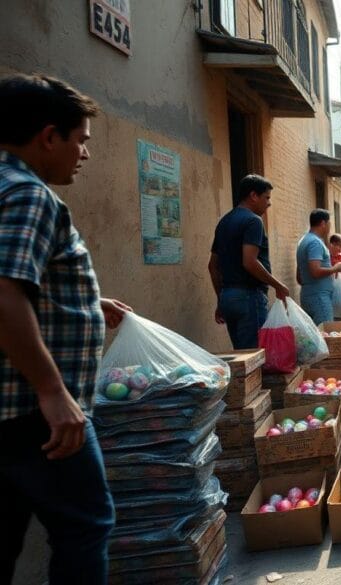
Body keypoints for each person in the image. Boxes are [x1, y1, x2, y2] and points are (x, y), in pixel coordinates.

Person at [0, 73, 133, 584]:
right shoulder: (29, 195)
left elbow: (19, 281)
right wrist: (53, 393)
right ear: (48, 137)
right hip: (36, 416)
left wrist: (76, 299)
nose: (84, 154)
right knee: (85, 526)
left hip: (11, 413)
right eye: (80, 141)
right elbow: (4, 290)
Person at [209, 174, 289, 349]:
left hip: (228, 298)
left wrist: (221, 298)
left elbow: (212, 266)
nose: (269, 203)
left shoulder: (224, 222)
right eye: (266, 197)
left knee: (242, 359)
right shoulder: (253, 221)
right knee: (255, 359)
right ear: (253, 196)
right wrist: (278, 285)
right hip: (248, 297)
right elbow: (249, 262)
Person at [295, 209, 341, 326]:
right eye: (329, 223)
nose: (330, 226)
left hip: (309, 294)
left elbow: (299, 277)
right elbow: (315, 271)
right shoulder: (315, 243)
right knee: (325, 335)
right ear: (323, 223)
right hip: (319, 298)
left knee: (316, 337)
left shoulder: (303, 241)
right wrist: (335, 268)